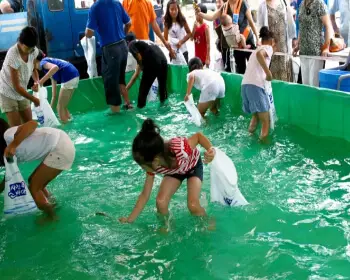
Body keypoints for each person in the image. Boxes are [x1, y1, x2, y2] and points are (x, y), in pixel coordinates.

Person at [119, 118, 216, 224]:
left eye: (143, 166)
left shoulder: (179, 148)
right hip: (174, 172)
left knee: (193, 205)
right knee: (161, 202)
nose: (143, 169)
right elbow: (145, 195)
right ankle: (166, 225)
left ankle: (208, 221)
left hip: (193, 167)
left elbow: (198, 136)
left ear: (155, 161)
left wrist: (211, 150)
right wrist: (130, 220)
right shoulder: (153, 166)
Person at [0, 118, 75, 218]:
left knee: (34, 188)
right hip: (61, 145)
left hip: (60, 146)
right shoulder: (7, 152)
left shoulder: (8, 135)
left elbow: (32, 123)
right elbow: (8, 177)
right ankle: (53, 205)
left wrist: (13, 145)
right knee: (34, 182)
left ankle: (51, 217)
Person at [85, 0, 132, 113]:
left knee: (111, 85)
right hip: (123, 46)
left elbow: (88, 33)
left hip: (110, 50)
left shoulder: (95, 7)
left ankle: (116, 117)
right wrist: (123, 34)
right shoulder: (117, 3)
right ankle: (128, 104)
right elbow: (129, 23)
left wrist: (95, 26)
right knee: (120, 79)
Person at [196, 0, 260, 74]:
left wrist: (258, 39)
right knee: (241, 70)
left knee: (254, 69)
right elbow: (212, 17)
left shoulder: (243, 4)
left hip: (247, 40)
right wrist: (199, 13)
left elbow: (251, 22)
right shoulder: (225, 6)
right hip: (236, 45)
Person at [0, 26, 40, 127]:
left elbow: (34, 69)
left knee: (30, 125)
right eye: (27, 48)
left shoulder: (33, 50)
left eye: (32, 48)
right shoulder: (13, 55)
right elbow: (16, 87)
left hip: (22, 91)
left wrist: (36, 82)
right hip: (7, 92)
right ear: (20, 42)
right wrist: (33, 99)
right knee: (16, 130)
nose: (30, 51)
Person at [241, 27, 275, 140]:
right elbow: (259, 55)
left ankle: (249, 138)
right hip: (256, 85)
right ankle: (262, 149)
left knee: (256, 115)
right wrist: (268, 72)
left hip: (245, 85)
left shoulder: (256, 48)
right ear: (272, 41)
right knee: (266, 121)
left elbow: (257, 55)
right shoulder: (268, 48)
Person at [293, 0, 333, 86]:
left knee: (314, 84)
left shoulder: (319, 3)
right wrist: (298, 45)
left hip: (316, 52)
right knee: (305, 84)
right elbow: (301, 27)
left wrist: (326, 47)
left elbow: (328, 26)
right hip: (304, 51)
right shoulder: (302, 5)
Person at [125, 33, 168, 109]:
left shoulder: (131, 44)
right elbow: (136, 75)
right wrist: (126, 90)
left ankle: (140, 109)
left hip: (153, 62)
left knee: (143, 92)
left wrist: (142, 66)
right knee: (162, 88)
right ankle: (164, 107)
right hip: (164, 60)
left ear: (127, 42)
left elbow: (138, 57)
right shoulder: (144, 44)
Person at [35, 52, 79, 123]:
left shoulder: (43, 62)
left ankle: (65, 128)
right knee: (63, 106)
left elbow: (55, 67)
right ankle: (70, 122)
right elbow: (54, 95)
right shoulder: (50, 70)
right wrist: (50, 110)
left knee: (59, 107)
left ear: (35, 60)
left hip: (69, 76)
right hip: (74, 74)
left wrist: (40, 82)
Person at [258, 0, 296, 82]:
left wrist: (294, 38)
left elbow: (290, 22)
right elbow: (261, 28)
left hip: (284, 45)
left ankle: (286, 93)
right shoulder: (262, 6)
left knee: (285, 71)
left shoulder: (284, 2)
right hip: (271, 45)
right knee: (272, 72)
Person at [213, 0, 232, 72]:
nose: (218, 4)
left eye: (219, 2)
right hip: (223, 47)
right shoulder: (216, 17)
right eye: (216, 2)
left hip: (231, 47)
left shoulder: (228, 14)